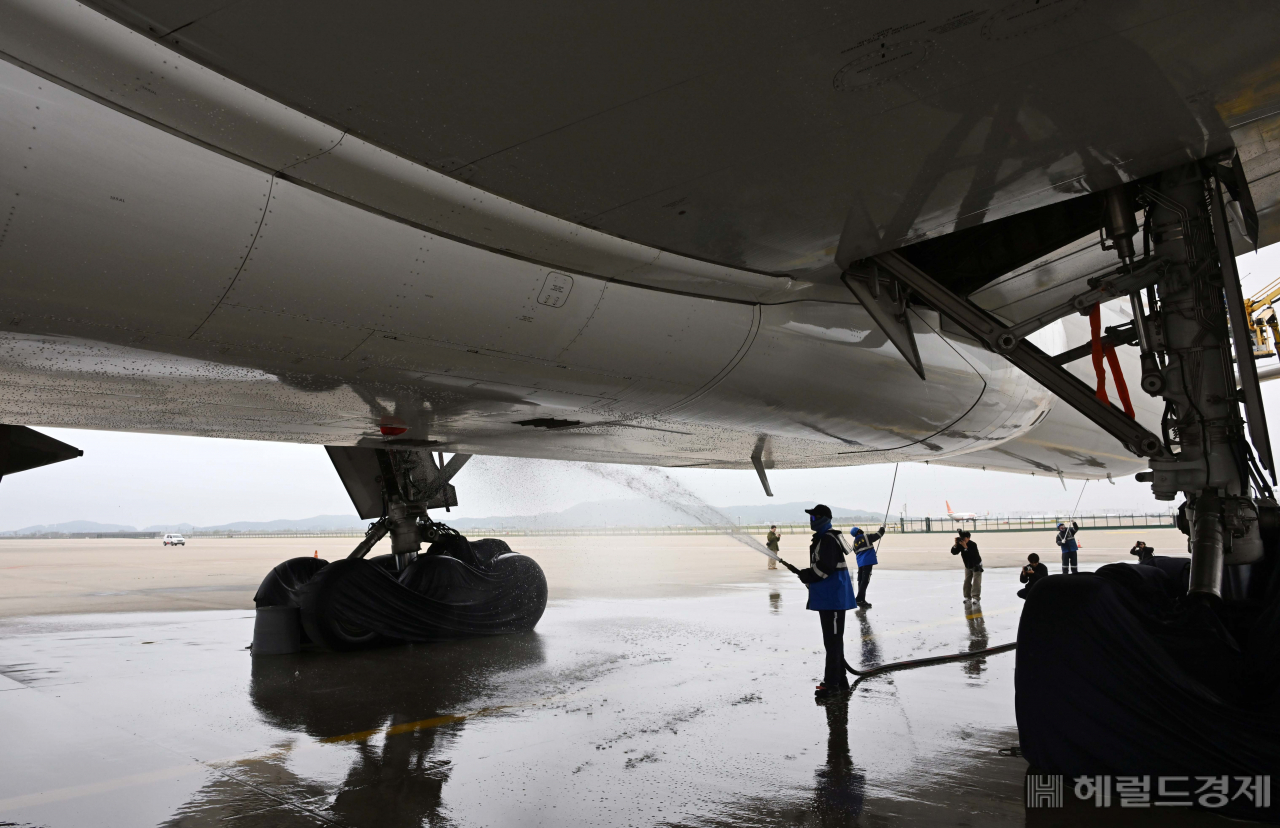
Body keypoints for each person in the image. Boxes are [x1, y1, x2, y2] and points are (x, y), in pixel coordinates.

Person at [791, 504, 858, 701]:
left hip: (834, 599)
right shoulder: (824, 538)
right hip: (828, 598)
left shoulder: (828, 539)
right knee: (833, 643)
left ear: (824, 518)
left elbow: (825, 568)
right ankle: (841, 680)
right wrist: (809, 575)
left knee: (833, 643)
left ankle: (832, 686)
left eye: (815, 516)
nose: (812, 520)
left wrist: (808, 575)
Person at [848, 524, 885, 609]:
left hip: (860, 564)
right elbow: (879, 534)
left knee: (861, 581)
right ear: (858, 531)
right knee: (865, 581)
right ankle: (859, 599)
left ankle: (862, 600)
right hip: (867, 562)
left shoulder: (854, 543)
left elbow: (857, 552)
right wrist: (882, 527)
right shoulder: (866, 537)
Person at [950, 530, 982, 604]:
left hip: (976, 565)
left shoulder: (973, 544)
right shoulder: (960, 544)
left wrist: (965, 547)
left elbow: (973, 556)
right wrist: (955, 545)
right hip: (967, 565)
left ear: (968, 538)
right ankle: (967, 597)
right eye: (962, 538)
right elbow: (954, 552)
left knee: (976, 582)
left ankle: (976, 597)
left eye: (964, 538)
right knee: (967, 581)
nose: (963, 540)